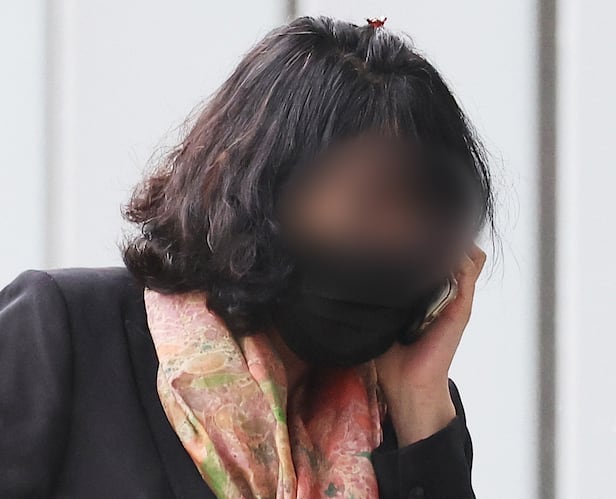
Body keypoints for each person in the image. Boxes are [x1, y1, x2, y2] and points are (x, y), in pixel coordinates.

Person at [0, 14, 497, 499]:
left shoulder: (403, 415)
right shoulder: (66, 332)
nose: (398, 241)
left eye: (421, 214)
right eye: (368, 203)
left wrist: (418, 401)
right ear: (254, 186)